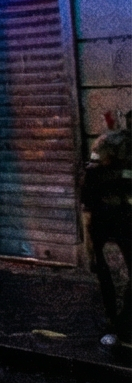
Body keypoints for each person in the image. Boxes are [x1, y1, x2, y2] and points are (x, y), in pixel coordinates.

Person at [82, 114, 132, 357]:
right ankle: (117, 326)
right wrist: (90, 244)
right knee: (113, 280)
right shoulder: (99, 171)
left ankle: (119, 325)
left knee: (117, 280)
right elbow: (88, 208)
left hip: (118, 228)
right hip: (110, 231)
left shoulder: (115, 165)